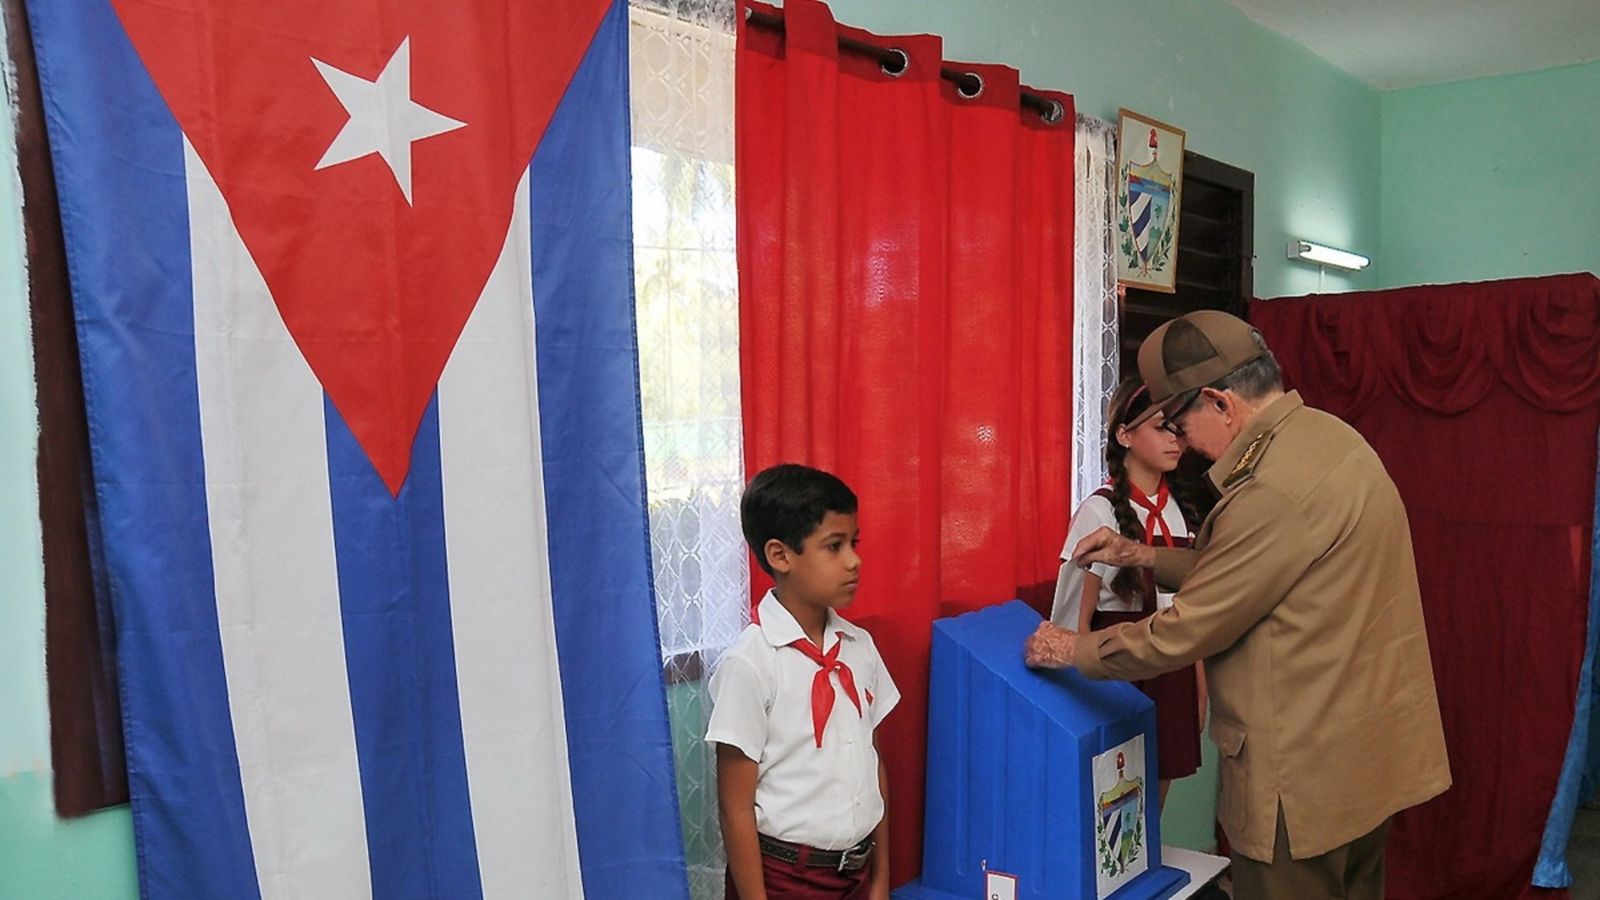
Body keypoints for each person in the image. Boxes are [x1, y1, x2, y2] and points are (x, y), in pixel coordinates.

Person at [1024, 310, 1450, 900]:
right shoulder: (1331, 440)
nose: (1185, 444)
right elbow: (1263, 572)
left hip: (1300, 784)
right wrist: (1142, 555)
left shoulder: (1269, 488)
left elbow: (1186, 631)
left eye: (1179, 420)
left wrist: (1074, 648)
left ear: (1222, 403)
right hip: (1364, 763)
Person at [707, 463, 899, 900]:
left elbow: (875, 764)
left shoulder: (860, 647)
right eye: (834, 546)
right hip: (783, 881)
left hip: (856, 873)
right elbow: (736, 807)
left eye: (854, 542)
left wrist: (881, 880)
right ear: (780, 556)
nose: (854, 560)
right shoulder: (750, 664)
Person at [1050, 376, 1208, 808]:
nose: (1175, 439)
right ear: (1125, 435)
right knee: (1110, 798)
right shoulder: (1099, 510)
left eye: (1179, 428)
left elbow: (1191, 611)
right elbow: (1073, 621)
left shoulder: (1181, 512)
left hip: (1170, 664)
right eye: (1161, 428)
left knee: (1155, 797)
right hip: (1116, 666)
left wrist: (1199, 689)